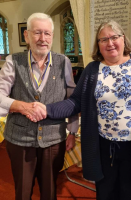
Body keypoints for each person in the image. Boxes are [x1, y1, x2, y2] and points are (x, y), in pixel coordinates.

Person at [29, 20, 131, 200]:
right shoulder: (92, 70)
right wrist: (47, 109)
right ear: (98, 45)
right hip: (103, 146)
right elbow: (75, 102)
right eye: (103, 40)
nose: (109, 43)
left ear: (123, 39)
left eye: (114, 37)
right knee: (105, 192)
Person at [0, 12, 79, 200]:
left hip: (53, 139)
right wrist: (21, 106)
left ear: (52, 36)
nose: (42, 39)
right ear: (27, 35)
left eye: (47, 33)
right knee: (23, 191)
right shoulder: (13, 61)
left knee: (50, 191)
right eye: (37, 33)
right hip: (19, 140)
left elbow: (72, 99)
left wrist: (73, 132)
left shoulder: (63, 62)